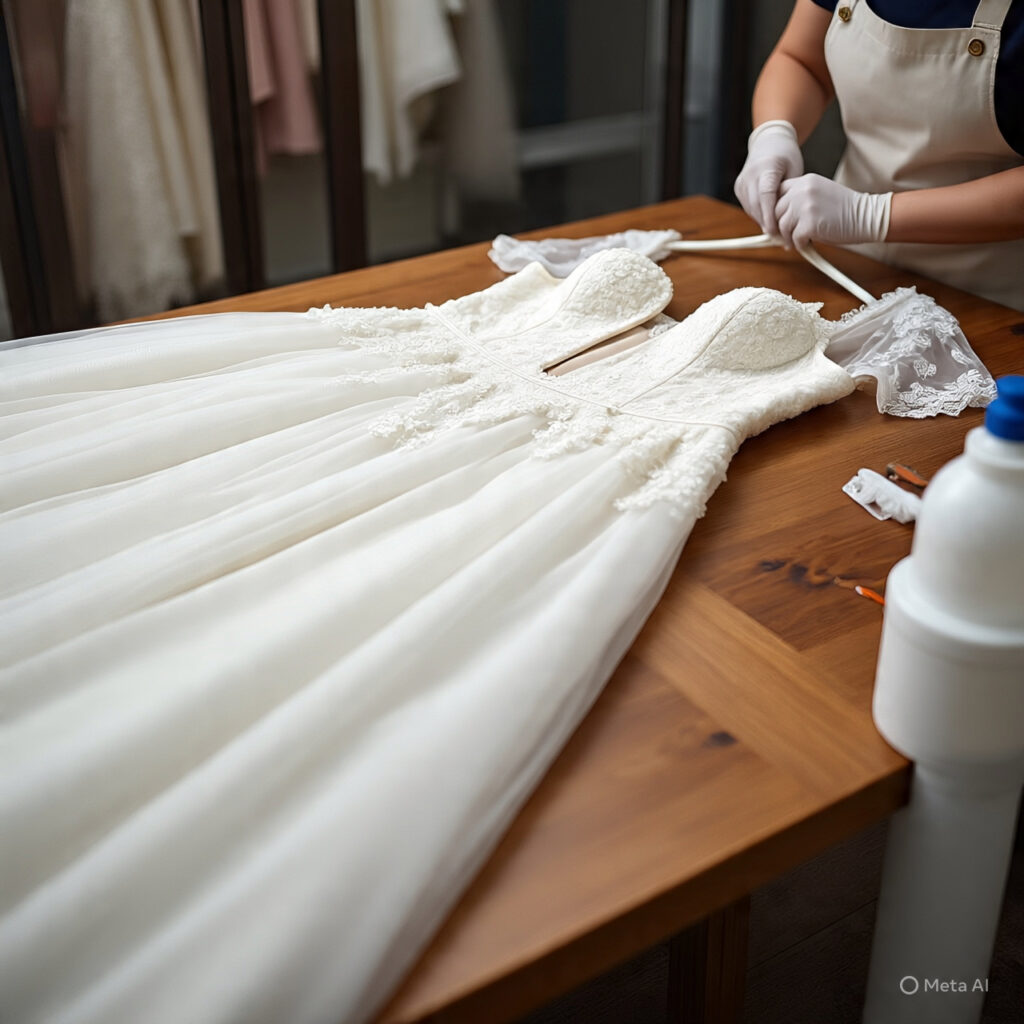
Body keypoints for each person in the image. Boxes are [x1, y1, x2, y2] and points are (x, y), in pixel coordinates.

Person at [735, 0, 1024, 311]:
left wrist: (870, 214)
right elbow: (802, 60)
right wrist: (774, 133)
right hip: (849, 267)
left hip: (989, 300)